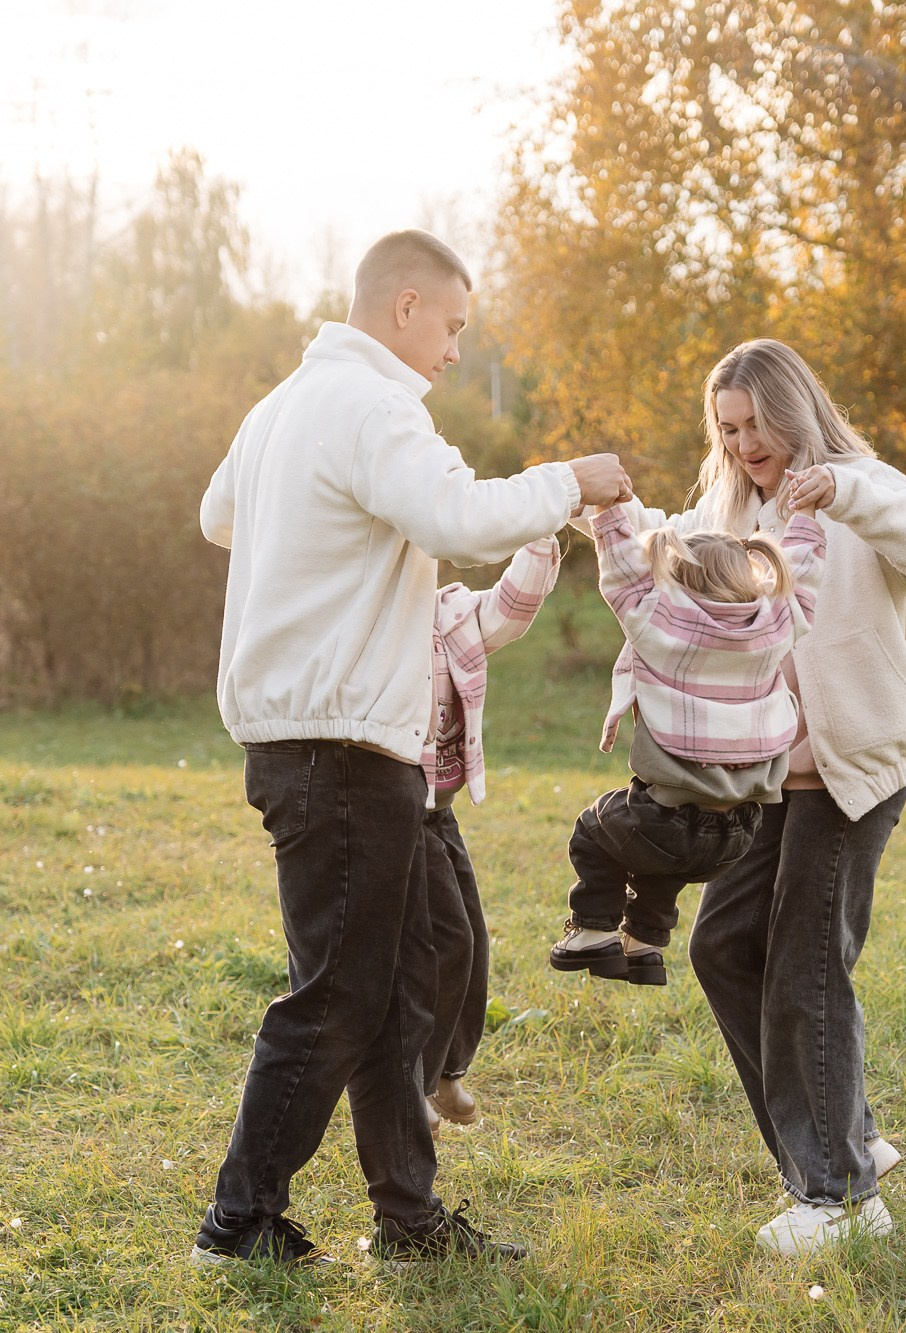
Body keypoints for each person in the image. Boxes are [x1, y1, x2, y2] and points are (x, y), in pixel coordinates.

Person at [190, 229, 632, 1268]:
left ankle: (410, 1221)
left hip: (309, 741)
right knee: (338, 994)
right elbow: (456, 515)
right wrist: (567, 480)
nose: (452, 352)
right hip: (338, 744)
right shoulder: (370, 406)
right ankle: (235, 1221)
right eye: (452, 327)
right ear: (403, 307)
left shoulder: (280, 408)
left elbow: (219, 516)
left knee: (389, 993)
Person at [600, 339, 906, 1256]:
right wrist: (598, 516)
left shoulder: (860, 485)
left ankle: (837, 1195)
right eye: (726, 429)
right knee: (724, 943)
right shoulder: (732, 503)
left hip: (852, 768)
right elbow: (669, 572)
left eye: (756, 423)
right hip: (763, 777)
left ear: (793, 409)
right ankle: (846, 1146)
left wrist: (845, 494)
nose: (743, 443)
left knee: (807, 965)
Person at [549, 500, 825, 986]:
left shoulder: (661, 628)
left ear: (677, 582)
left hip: (664, 823)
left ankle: (592, 932)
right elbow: (803, 573)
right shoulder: (777, 626)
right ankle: (646, 944)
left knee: (595, 829)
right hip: (739, 835)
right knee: (661, 861)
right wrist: (806, 516)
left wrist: (609, 513)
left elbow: (621, 575)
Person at [420, 534, 563, 1131]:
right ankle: (416, 1083)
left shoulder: (447, 614)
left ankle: (446, 1074)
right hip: (395, 806)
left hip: (439, 809)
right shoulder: (367, 624)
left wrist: (539, 527)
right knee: (446, 941)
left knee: (471, 939)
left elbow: (511, 606)